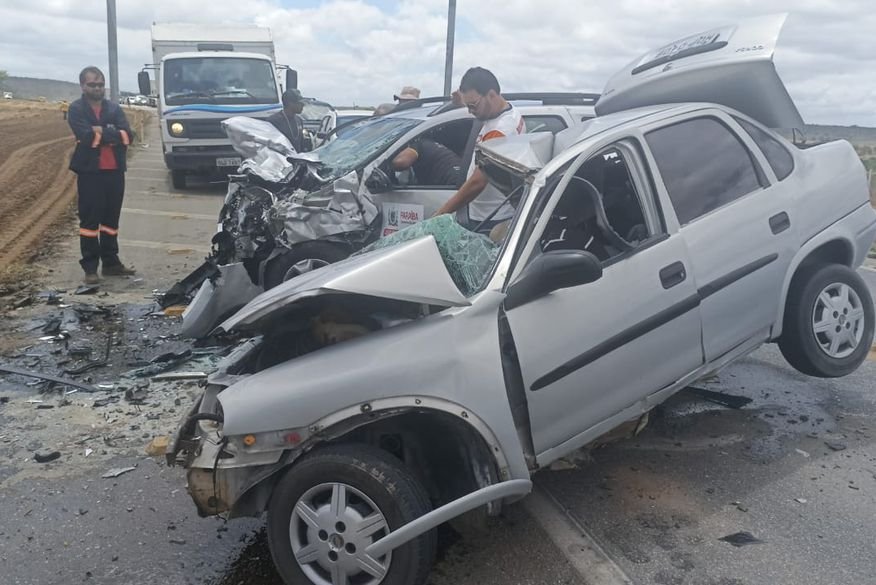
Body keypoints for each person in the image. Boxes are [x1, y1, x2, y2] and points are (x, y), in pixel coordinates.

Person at [433, 67, 525, 233]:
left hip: (490, 218)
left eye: (473, 105)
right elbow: (474, 101)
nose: (470, 111)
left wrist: (441, 213)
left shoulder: (500, 131)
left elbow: (478, 182)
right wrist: (457, 101)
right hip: (488, 212)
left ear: (491, 94)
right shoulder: (503, 112)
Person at [67, 66, 136, 285]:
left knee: (111, 220)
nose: (97, 88)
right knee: (90, 222)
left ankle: (111, 263)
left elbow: (128, 136)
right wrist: (111, 133)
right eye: (92, 84)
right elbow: (86, 137)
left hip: (115, 172)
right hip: (90, 173)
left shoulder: (114, 108)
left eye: (100, 84)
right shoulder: (76, 109)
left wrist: (101, 131)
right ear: (82, 86)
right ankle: (90, 268)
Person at [391, 137, 463, 186]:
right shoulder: (430, 144)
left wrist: (386, 166)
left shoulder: (417, 145)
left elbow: (401, 162)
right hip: (459, 177)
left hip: (451, 182)